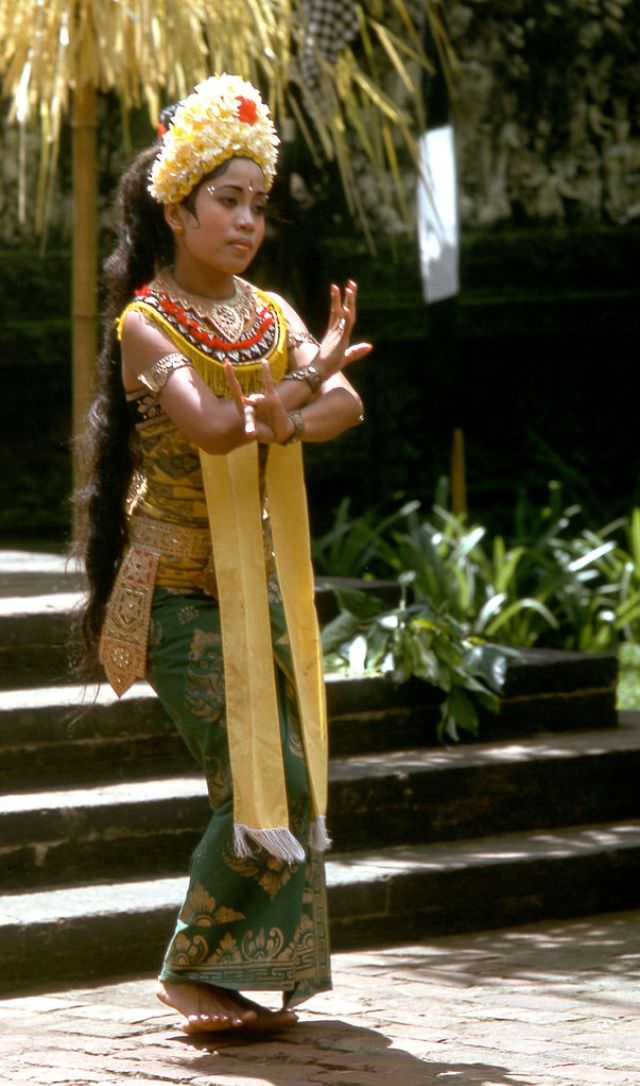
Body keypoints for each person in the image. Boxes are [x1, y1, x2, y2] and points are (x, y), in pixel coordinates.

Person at [77, 73, 371, 1036]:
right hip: (172, 589)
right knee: (256, 775)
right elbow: (209, 426)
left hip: (257, 581)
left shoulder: (269, 312)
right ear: (176, 210)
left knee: (292, 770)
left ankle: (248, 970)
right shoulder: (146, 322)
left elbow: (346, 405)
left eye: (257, 203)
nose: (248, 221)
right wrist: (292, 394)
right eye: (228, 201)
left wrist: (291, 401)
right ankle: (190, 971)